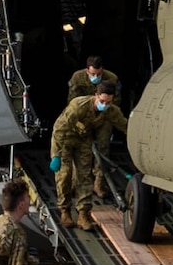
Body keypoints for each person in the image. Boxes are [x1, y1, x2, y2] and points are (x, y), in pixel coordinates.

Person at [50, 68, 128, 232]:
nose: (104, 105)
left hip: (83, 139)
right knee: (64, 176)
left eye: (108, 102)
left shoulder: (110, 110)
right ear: (96, 95)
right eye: (102, 101)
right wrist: (55, 155)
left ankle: (83, 214)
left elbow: (124, 125)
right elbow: (59, 130)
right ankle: (65, 211)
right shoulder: (79, 105)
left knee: (84, 176)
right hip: (66, 138)